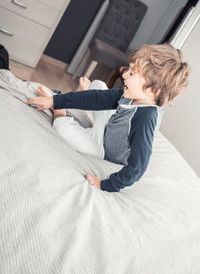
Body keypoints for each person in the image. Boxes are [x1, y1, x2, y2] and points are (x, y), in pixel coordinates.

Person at [27, 44, 189, 192]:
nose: (124, 75)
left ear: (153, 91)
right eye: (129, 70)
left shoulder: (145, 118)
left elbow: (138, 167)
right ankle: (81, 95)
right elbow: (98, 98)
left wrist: (105, 184)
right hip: (110, 124)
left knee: (62, 129)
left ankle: (60, 112)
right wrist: (54, 99)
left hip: (104, 148)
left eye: (132, 74)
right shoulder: (131, 94)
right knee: (97, 86)